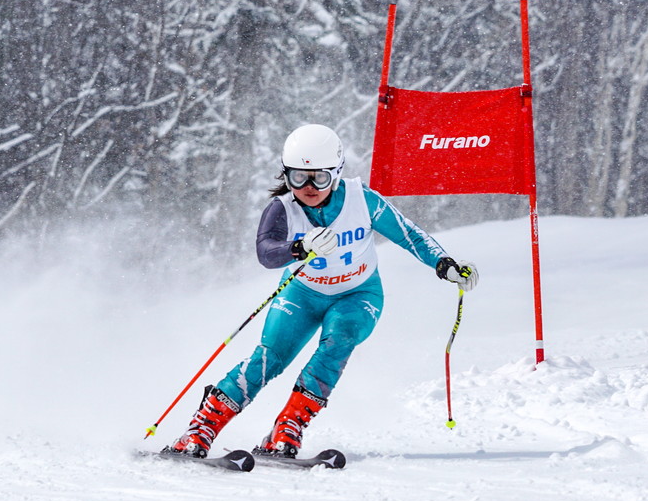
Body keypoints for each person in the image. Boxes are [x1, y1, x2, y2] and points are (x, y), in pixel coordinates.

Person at [163, 124, 478, 459]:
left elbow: (409, 234)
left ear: (337, 173)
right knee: (268, 359)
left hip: (357, 295)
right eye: (298, 178)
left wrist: (444, 264)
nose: (309, 188)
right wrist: (299, 247)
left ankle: (287, 428)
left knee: (336, 344)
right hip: (302, 295)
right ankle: (202, 427)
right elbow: (265, 252)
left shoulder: (362, 200)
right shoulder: (283, 208)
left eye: (320, 178)